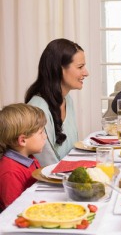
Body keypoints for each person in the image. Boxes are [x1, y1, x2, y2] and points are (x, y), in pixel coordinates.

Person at [25, 38, 89, 167]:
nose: (86, 73)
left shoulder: (68, 100)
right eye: (80, 67)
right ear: (59, 69)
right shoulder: (37, 109)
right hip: (51, 181)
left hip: (68, 176)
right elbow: (47, 165)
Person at [0, 103, 47, 212]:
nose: (45, 137)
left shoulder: (29, 157)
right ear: (22, 140)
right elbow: (14, 211)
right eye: (41, 133)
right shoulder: (10, 172)